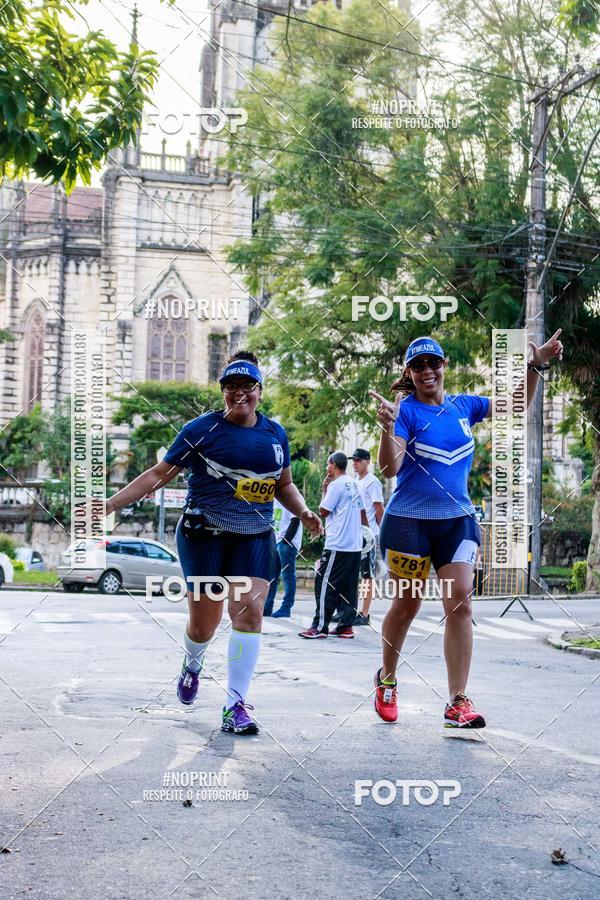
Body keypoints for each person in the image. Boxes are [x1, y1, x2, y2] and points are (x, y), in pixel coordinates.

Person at [105, 351, 322, 735]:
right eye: (231, 387)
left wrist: (303, 511)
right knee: (205, 625)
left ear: (260, 390)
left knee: (249, 612)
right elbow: (158, 473)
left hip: (254, 535)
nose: (240, 394)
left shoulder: (275, 434)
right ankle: (192, 664)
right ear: (222, 392)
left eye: (247, 386)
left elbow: (283, 485)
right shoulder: (200, 430)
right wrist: (109, 505)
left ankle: (235, 705)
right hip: (203, 533)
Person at [368, 330, 563, 727]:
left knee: (461, 602)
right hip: (408, 522)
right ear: (409, 372)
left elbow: (515, 406)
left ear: (444, 366)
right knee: (407, 605)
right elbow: (390, 469)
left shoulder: (464, 405)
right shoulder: (405, 411)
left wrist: (535, 365)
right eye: (418, 365)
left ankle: (457, 700)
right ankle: (387, 679)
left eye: (433, 363)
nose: (427, 370)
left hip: (457, 520)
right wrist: (387, 426)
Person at [299, 451, 368, 639]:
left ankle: (319, 626)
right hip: (354, 544)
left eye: (328, 464)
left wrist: (324, 489)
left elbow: (323, 511)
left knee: (324, 582)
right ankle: (346, 626)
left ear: (333, 465)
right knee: (349, 587)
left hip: (338, 544)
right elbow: (362, 512)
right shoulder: (355, 483)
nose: (326, 467)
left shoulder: (335, 485)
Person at [351, 449, 384, 625]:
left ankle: (364, 613)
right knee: (352, 574)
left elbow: (379, 510)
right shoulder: (355, 481)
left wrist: (381, 535)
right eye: (353, 460)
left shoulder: (372, 482)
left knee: (367, 575)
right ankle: (349, 610)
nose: (355, 463)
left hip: (370, 536)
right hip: (356, 534)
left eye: (358, 460)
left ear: (367, 461)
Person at [263, 498, 303, 618]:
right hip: (276, 541)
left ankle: (286, 608)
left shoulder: (291, 496)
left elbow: (296, 519)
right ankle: (267, 607)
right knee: (272, 576)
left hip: (287, 544)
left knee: (288, 576)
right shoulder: (274, 498)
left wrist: (286, 540)